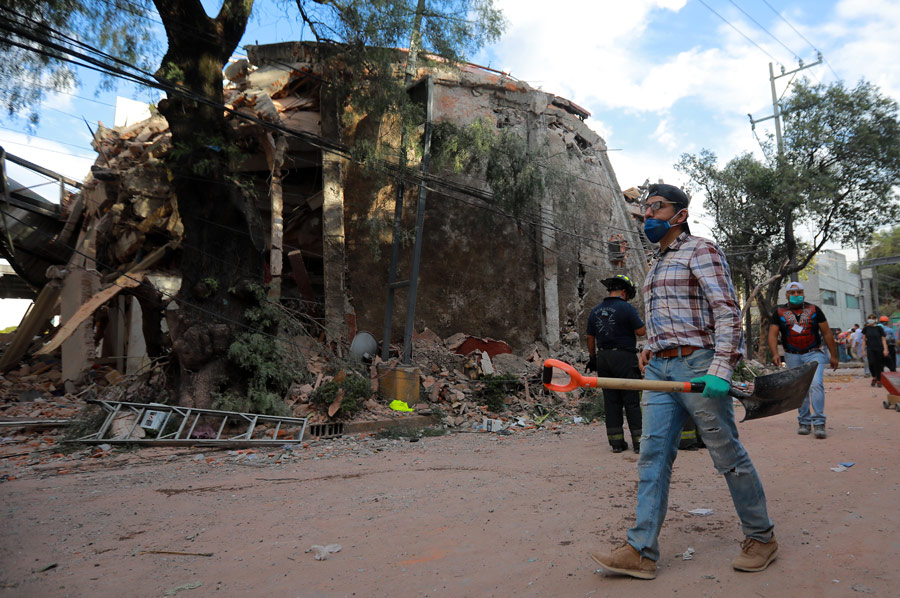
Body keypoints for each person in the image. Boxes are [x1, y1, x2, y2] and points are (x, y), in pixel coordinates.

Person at [590, 184, 777, 580]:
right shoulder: (655, 263)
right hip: (659, 370)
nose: (648, 216)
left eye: (656, 208)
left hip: (698, 366)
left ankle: (761, 537)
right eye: (644, 211)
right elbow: (673, 314)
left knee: (726, 453)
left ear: (680, 213)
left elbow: (726, 313)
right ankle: (641, 550)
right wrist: (652, 348)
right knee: (652, 457)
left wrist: (720, 370)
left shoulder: (701, 250)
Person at [767, 282, 839, 438]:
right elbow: (773, 334)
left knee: (816, 384)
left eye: (799, 292)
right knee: (800, 389)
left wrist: (833, 355)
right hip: (792, 355)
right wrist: (774, 354)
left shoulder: (814, 310)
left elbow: (827, 333)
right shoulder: (779, 312)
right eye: (792, 292)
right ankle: (804, 421)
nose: (796, 295)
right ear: (786, 295)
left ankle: (819, 423)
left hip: (814, 353)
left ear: (804, 294)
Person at [585, 274, 646, 453]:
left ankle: (616, 443)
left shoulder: (595, 310)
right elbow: (641, 331)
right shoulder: (627, 308)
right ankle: (639, 443)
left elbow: (590, 337)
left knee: (611, 401)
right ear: (625, 292)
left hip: (603, 358)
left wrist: (593, 358)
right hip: (624, 357)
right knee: (631, 400)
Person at [862, 315, 888, 387]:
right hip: (870, 349)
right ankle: (874, 376)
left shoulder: (879, 328)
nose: (871, 320)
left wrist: (885, 349)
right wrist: (863, 350)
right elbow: (864, 340)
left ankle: (879, 380)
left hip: (879, 349)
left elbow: (883, 339)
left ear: (875, 320)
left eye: (872, 318)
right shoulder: (866, 329)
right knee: (871, 363)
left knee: (879, 365)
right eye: (869, 318)